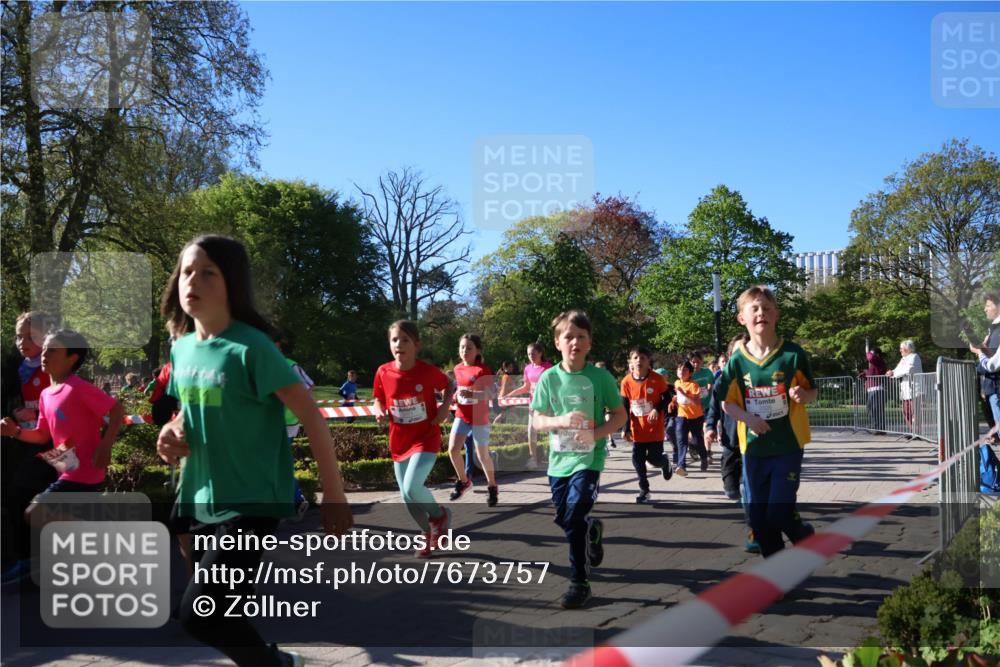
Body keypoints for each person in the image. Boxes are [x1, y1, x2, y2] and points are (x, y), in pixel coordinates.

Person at [155, 234, 353, 667]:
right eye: (188, 271)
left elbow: (314, 419)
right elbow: (190, 413)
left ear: (233, 285)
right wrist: (170, 432)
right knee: (216, 612)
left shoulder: (252, 348)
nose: (195, 281)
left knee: (198, 616)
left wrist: (334, 496)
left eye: (209, 272)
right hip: (204, 498)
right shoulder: (183, 347)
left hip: (253, 500)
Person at [530, 310, 627, 609]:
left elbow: (620, 416)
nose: (574, 342)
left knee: (573, 517)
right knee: (566, 519)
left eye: (580, 337)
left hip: (589, 459)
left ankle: (579, 582)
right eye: (568, 337)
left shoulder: (600, 377)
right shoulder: (549, 378)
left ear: (589, 342)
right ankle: (592, 530)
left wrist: (596, 434)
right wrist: (560, 420)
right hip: (559, 462)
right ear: (557, 342)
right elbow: (537, 420)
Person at [718, 285, 818, 558]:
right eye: (755, 308)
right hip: (753, 449)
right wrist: (748, 418)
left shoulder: (793, 354)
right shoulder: (737, 361)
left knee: (779, 510)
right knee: (759, 519)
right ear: (742, 318)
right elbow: (726, 402)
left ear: (777, 315)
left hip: (787, 445)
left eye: (767, 308)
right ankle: (777, 570)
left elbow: (812, 391)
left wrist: (802, 394)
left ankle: (802, 535)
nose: (761, 312)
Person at [1, 329, 124, 498]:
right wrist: (15, 432)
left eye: (52, 350)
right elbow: (42, 435)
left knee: (36, 512)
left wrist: (105, 446)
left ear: (71, 359)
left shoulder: (78, 388)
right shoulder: (45, 394)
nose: (44, 354)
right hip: (66, 472)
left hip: (86, 472)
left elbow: (116, 409)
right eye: (44, 348)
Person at [372, 320, 457, 557]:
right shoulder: (383, 371)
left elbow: (450, 385)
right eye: (395, 340)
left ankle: (439, 516)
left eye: (405, 340)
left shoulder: (427, 372)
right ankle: (428, 534)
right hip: (399, 441)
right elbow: (377, 397)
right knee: (406, 496)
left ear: (416, 345)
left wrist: (444, 408)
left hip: (425, 437)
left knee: (412, 487)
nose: (399, 344)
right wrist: (378, 408)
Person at [1, 312, 59, 582]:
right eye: (19, 336)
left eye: (30, 336)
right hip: (24, 443)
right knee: (19, 498)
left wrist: (38, 416)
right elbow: (9, 400)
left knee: (36, 497)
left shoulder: (54, 366)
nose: (22, 342)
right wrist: (14, 409)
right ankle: (28, 561)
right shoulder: (16, 369)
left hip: (53, 445)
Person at [447, 334, 499, 506]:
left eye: (469, 347)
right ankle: (464, 481)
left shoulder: (483, 370)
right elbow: (461, 388)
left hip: (479, 417)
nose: (465, 351)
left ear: (477, 350)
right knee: (453, 449)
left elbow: (491, 394)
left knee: (482, 455)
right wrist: (456, 395)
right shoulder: (457, 369)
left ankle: (492, 487)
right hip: (462, 415)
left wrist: (472, 394)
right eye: (462, 347)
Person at [620, 345, 673, 503]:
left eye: (642, 358)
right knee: (637, 458)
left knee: (654, 459)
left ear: (649, 361)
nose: (638, 361)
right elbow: (625, 406)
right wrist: (625, 428)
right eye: (635, 358)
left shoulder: (657, 379)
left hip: (654, 427)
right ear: (631, 361)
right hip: (637, 428)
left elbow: (667, 398)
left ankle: (664, 462)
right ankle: (644, 489)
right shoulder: (626, 381)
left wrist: (657, 409)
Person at [506, 343, 553, 469]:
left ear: (540, 353)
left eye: (533, 353)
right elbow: (526, 387)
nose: (531, 356)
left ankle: (556, 457)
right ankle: (533, 460)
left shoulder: (548, 367)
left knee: (551, 431)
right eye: (528, 354)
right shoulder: (527, 368)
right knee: (531, 432)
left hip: (547, 405)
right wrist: (511, 394)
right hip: (534, 404)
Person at [970, 293, 1000, 444]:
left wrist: (979, 352)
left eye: (988, 305)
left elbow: (993, 365)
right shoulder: (994, 329)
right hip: (993, 389)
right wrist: (983, 349)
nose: (984, 309)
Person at [674, 361, 708, 475]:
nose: (681, 372)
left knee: (697, 440)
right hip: (681, 416)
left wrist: (684, 394)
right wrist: (672, 401)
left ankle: (704, 457)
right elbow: (678, 397)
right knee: (681, 440)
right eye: (679, 369)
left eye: (684, 370)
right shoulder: (677, 383)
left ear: (690, 373)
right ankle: (681, 466)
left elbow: (697, 402)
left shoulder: (694, 385)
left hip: (696, 417)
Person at [886, 339, 923, 436]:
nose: (900, 350)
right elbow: (897, 369)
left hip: (915, 390)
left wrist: (894, 374)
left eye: (901, 349)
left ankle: (917, 433)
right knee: (906, 412)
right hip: (905, 391)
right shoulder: (903, 359)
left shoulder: (915, 357)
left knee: (915, 413)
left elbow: (908, 370)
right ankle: (912, 431)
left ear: (907, 349)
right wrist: (891, 372)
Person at [690, 351, 715, 460]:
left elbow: (711, 383)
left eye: (698, 362)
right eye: (693, 362)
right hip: (693, 407)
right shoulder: (688, 374)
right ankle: (692, 445)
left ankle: (707, 451)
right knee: (695, 432)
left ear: (701, 362)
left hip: (707, 405)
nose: (696, 364)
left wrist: (709, 389)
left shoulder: (707, 372)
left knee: (706, 429)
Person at [860, 346, 888, 434]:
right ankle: (876, 427)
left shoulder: (879, 360)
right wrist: (864, 374)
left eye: (873, 353)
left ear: (877, 355)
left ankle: (880, 429)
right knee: (871, 409)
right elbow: (872, 373)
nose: (870, 355)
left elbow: (870, 357)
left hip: (877, 389)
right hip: (872, 389)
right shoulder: (875, 364)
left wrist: (868, 351)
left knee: (877, 409)